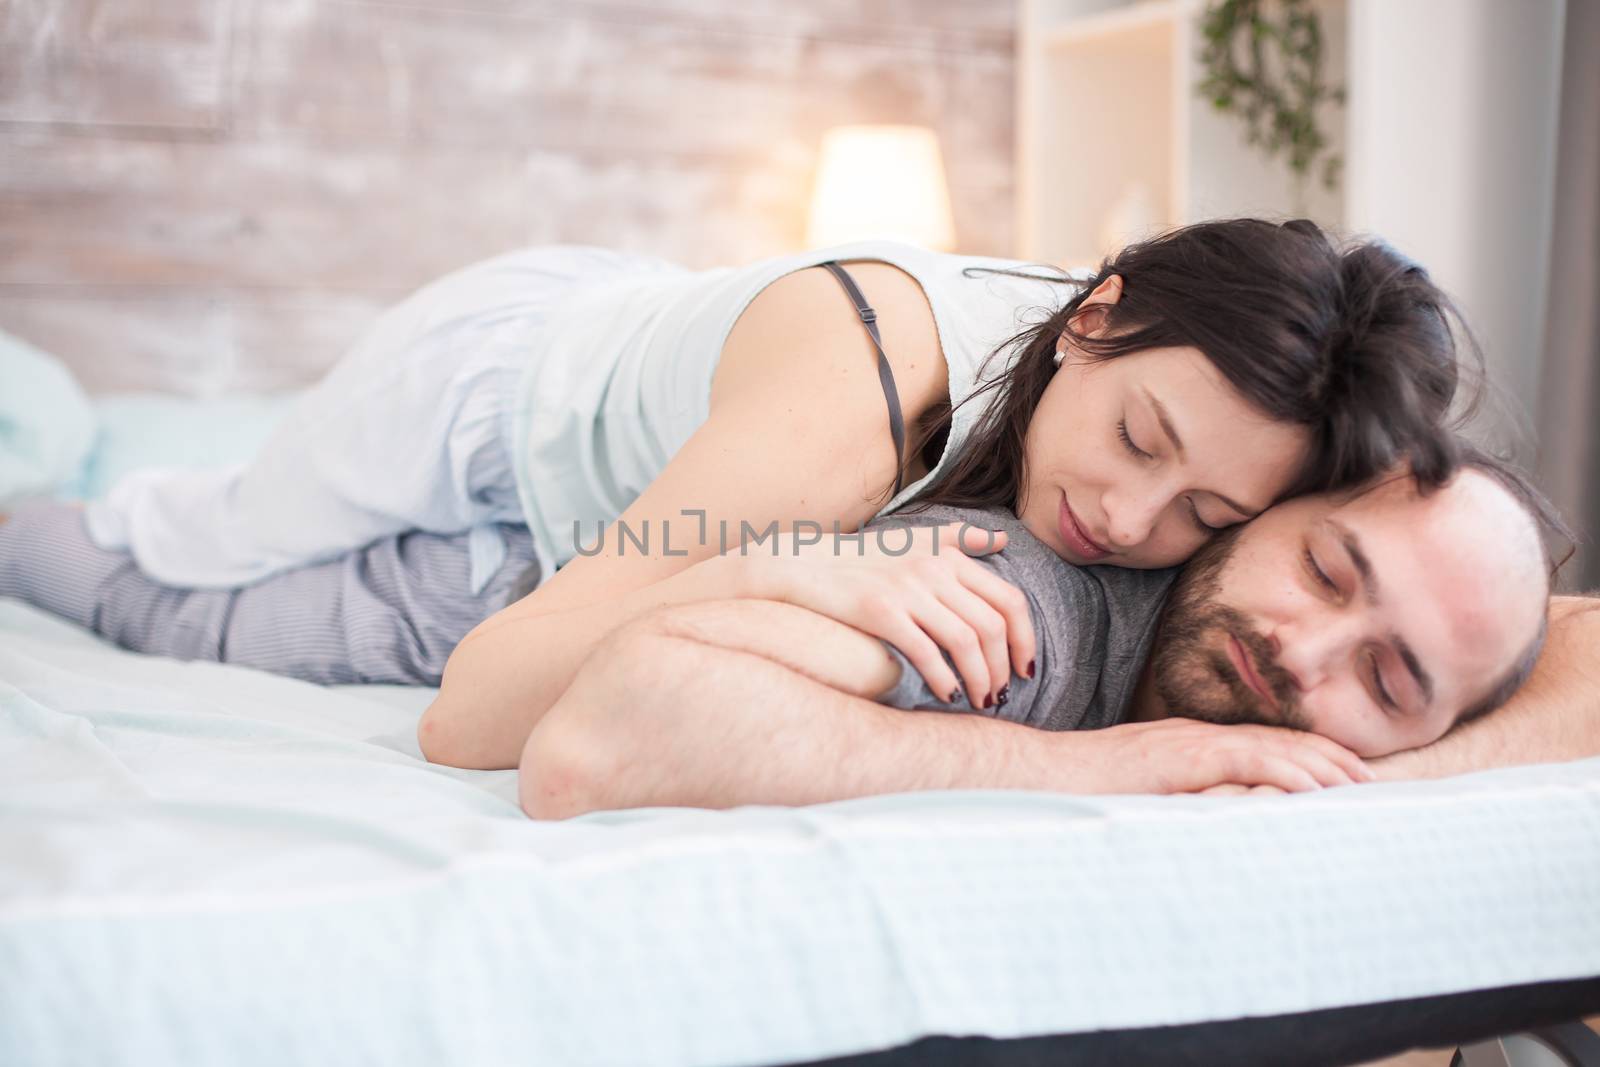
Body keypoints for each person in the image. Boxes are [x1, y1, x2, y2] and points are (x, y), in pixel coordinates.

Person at [0, 220, 1465, 766]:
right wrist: (802, 569)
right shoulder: (855, 399)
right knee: (177, 568)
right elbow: (472, 711)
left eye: (1208, 516)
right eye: (1141, 440)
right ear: (1092, 311)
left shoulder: (1177, 440)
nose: (1135, 525)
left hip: (622, 493)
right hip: (494, 399)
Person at [514, 456, 1564, 819]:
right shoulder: (1029, 613)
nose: (1303, 649)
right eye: (1324, 570)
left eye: (1383, 681)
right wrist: (1100, 765)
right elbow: (605, 732)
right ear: (1260, 504)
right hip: (474, 552)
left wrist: (1359, 781)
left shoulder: (1433, 666)